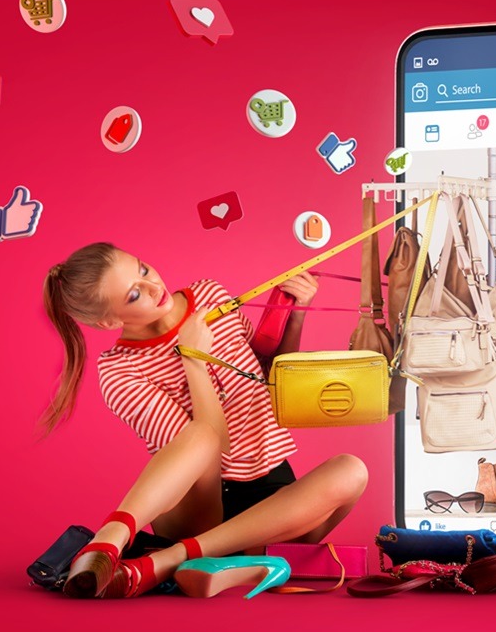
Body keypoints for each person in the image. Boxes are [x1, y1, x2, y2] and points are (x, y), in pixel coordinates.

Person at [40, 242, 368, 598]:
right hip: (199, 505)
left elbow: (267, 375)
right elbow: (213, 443)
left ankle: (175, 560)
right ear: (109, 321)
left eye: (144, 269)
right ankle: (114, 535)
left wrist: (297, 313)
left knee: (352, 470)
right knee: (199, 435)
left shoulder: (210, 294)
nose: (154, 287)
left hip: (272, 494)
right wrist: (192, 358)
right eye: (135, 294)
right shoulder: (119, 371)